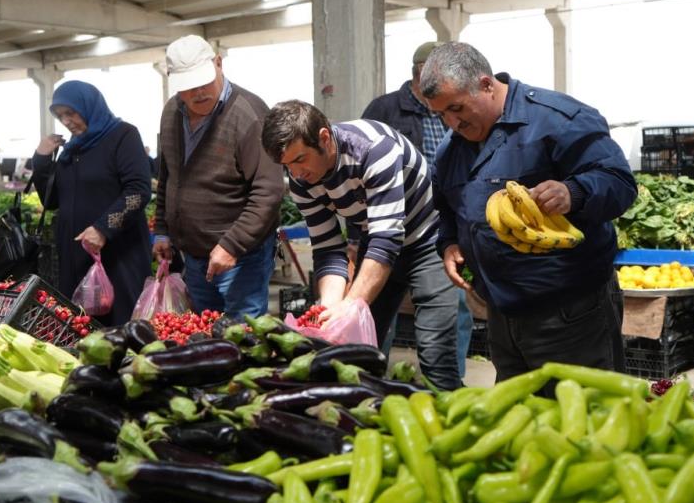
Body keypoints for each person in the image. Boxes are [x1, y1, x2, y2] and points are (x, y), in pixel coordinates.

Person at [421, 42, 636, 382]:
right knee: (523, 421)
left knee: (587, 418)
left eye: (457, 108)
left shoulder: (558, 120)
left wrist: (573, 192)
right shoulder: (451, 151)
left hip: (571, 313)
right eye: (441, 114)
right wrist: (449, 244)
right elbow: (447, 210)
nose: (452, 122)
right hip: (502, 314)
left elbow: (619, 182)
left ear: (487, 85)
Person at [261, 101, 461, 391]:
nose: (296, 172)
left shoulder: (373, 150)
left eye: (300, 159)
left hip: (426, 239)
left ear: (324, 138)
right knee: (357, 344)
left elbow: (387, 240)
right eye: (287, 165)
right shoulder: (300, 179)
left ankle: (446, 411)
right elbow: (328, 246)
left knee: (434, 350)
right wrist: (329, 310)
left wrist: (351, 305)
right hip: (377, 236)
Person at [362, 40, 475, 378]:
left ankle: (448, 384)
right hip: (389, 225)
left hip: (442, 225)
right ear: (419, 74)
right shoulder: (384, 110)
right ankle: (368, 377)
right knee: (378, 310)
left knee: (453, 309)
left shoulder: (458, 110)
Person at [153, 35, 282, 319]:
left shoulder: (249, 114)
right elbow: (169, 176)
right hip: (195, 255)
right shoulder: (171, 113)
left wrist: (231, 245)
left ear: (219, 63)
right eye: (188, 87)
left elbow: (269, 191)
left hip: (241, 259)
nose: (198, 92)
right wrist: (162, 228)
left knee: (244, 336)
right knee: (204, 336)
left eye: (204, 81)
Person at [32, 80, 152, 326]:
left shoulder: (123, 136)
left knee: (121, 324)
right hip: (75, 255)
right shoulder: (70, 150)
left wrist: (103, 228)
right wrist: (41, 160)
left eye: (70, 112)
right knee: (82, 326)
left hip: (118, 253)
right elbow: (52, 200)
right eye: (60, 116)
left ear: (88, 106)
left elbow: (138, 191)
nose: (66, 121)